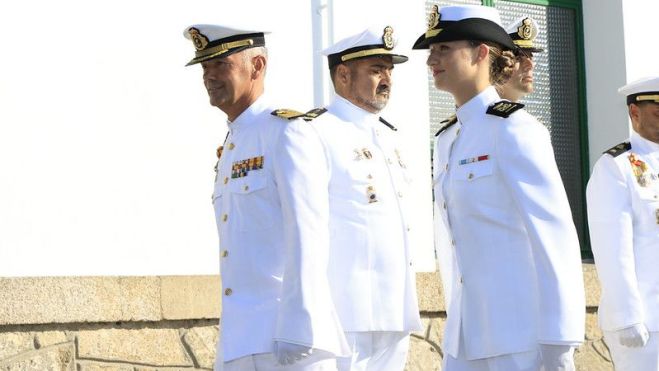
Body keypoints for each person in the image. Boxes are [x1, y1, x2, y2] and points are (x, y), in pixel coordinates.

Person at [412, 5, 585, 370]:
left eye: (444, 48)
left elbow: (554, 236)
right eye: (431, 50)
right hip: (466, 336)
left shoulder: (515, 129)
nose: (432, 59)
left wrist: (559, 338)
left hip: (520, 336)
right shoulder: (448, 138)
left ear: (481, 53)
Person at [183, 23, 347, 371]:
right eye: (204, 67)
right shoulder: (233, 142)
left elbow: (309, 230)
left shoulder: (286, 132)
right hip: (240, 339)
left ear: (257, 67)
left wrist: (301, 324)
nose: (209, 76)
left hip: (287, 338)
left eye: (220, 65)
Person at [273, 26, 423, 370]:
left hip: (396, 311)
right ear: (343, 75)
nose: (387, 78)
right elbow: (305, 229)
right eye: (376, 69)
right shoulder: (313, 132)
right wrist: (303, 312)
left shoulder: (389, 136)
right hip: (345, 312)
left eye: (389, 70)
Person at [586, 76, 659, 371]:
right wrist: (627, 315)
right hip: (647, 319)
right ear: (635, 113)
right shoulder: (617, 166)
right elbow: (612, 248)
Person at [496, 17, 544, 102]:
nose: (530, 65)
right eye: (519, 58)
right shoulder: (475, 112)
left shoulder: (522, 115)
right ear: (499, 64)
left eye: (530, 57)